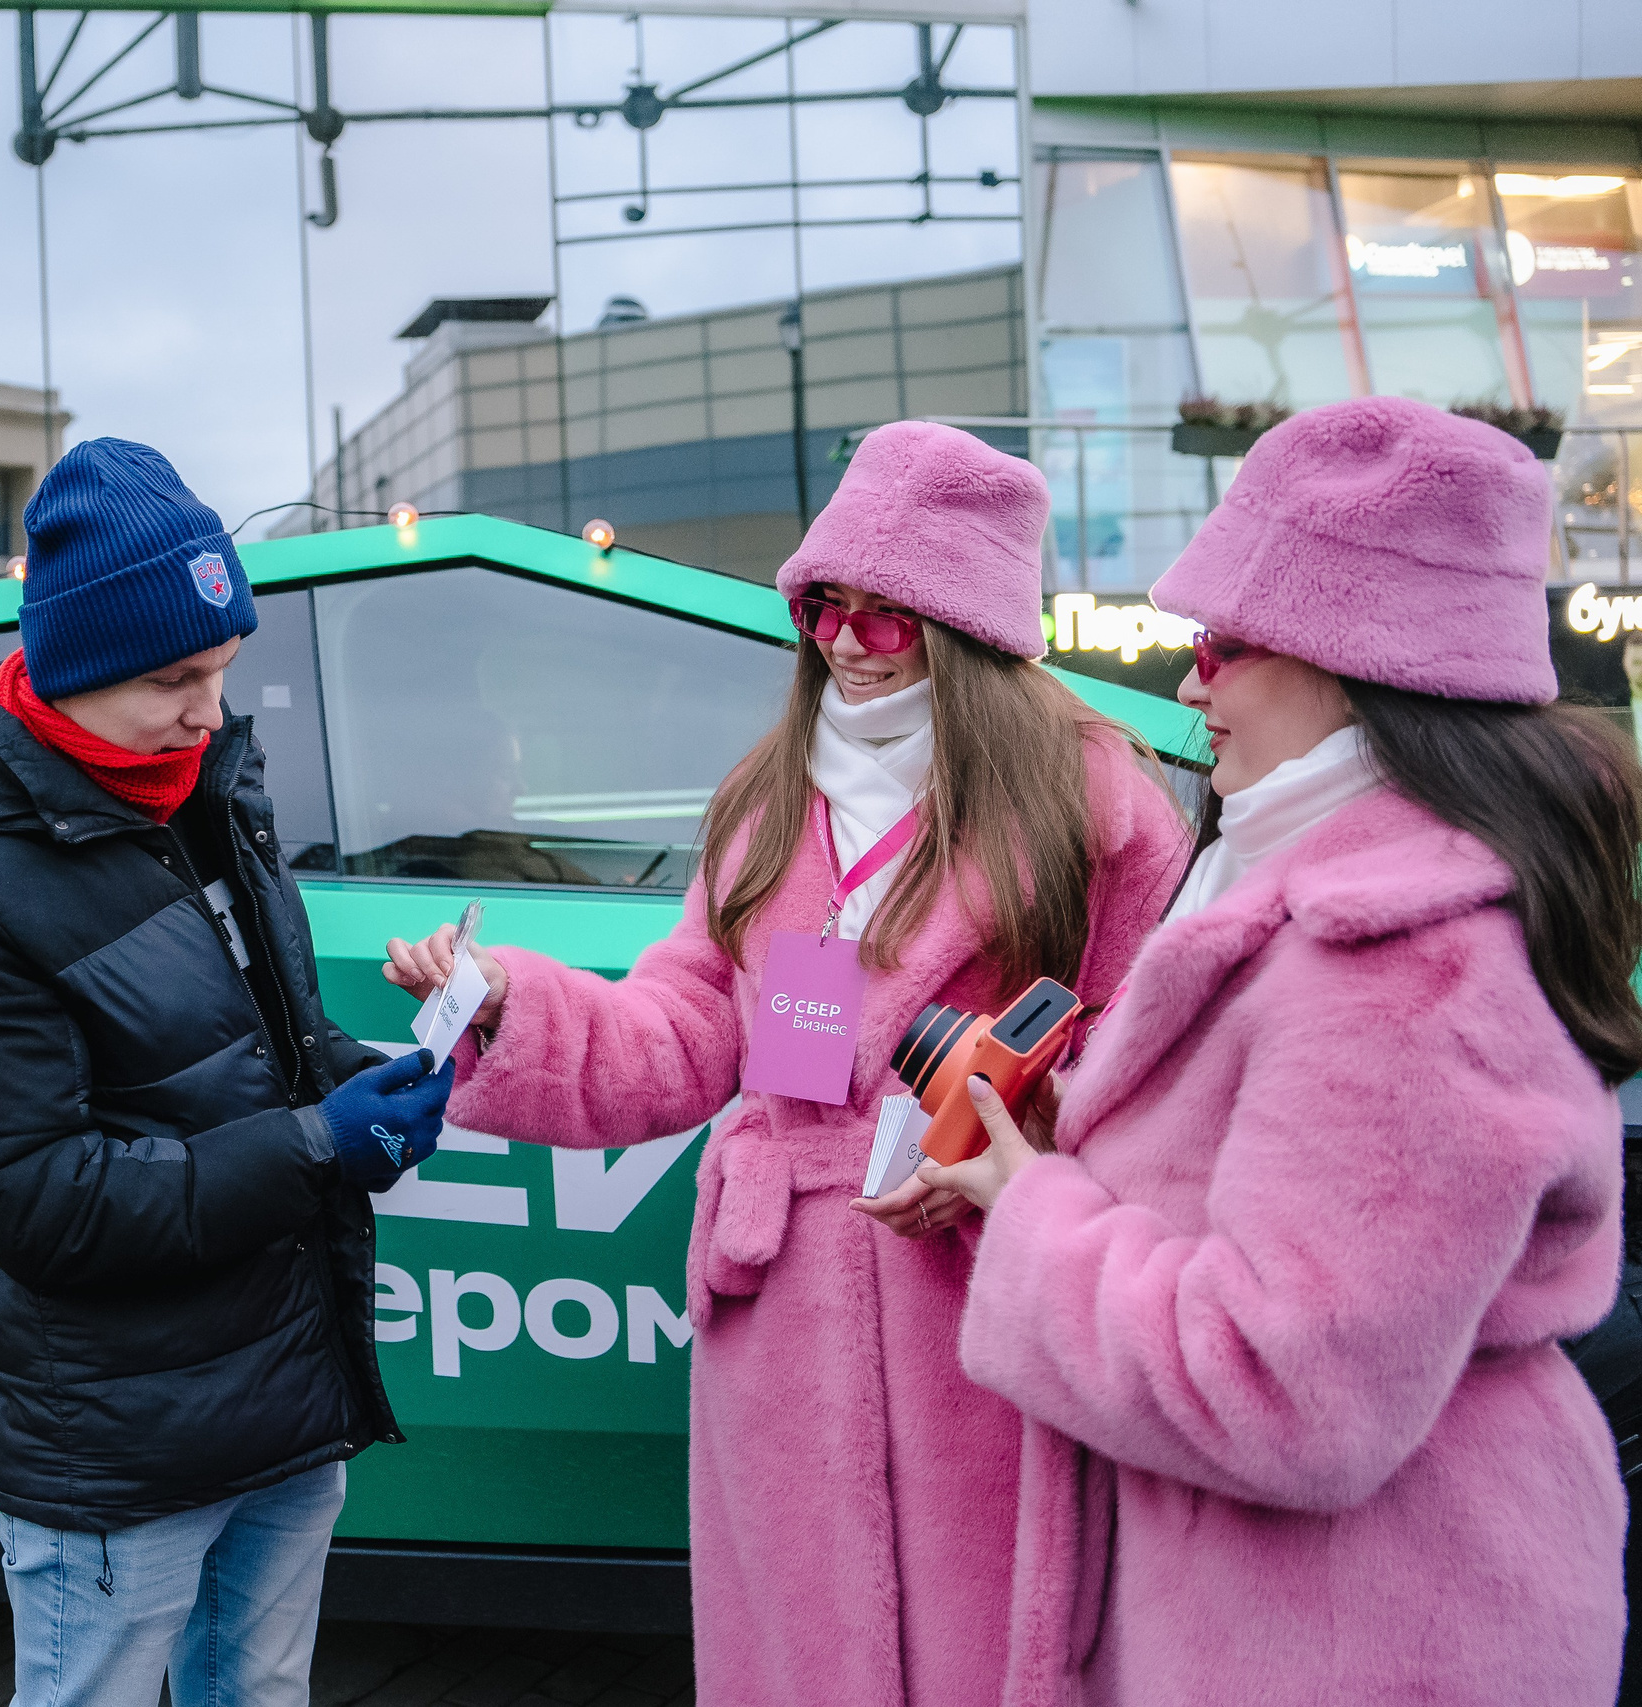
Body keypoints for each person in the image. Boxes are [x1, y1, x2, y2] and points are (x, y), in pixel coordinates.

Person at [382, 422, 1193, 1707]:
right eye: (824, 606)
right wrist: (502, 1003)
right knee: (802, 1654)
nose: (842, 645)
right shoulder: (765, 799)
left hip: (974, 1290)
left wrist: (1005, 1146)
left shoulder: (1095, 803)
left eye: (884, 618)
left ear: (966, 628)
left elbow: (1145, 1066)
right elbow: (687, 1030)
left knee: (988, 1645)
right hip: (783, 1303)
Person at [920, 397, 1637, 1705]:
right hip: (1356, 1608)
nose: (1190, 681)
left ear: (1344, 651)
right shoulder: (1357, 902)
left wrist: (1037, 1209)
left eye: (1220, 641)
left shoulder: (1397, 958)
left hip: (1356, 1635)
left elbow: (1287, 1388)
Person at [0, 437, 455, 1707]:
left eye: (226, 668)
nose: (212, 708)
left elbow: (241, 1049)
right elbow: (37, 1200)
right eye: (175, 678)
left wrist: (360, 1080)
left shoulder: (205, 789)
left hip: (283, 1392)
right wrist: (316, 1149)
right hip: (119, 1451)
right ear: (70, 672)